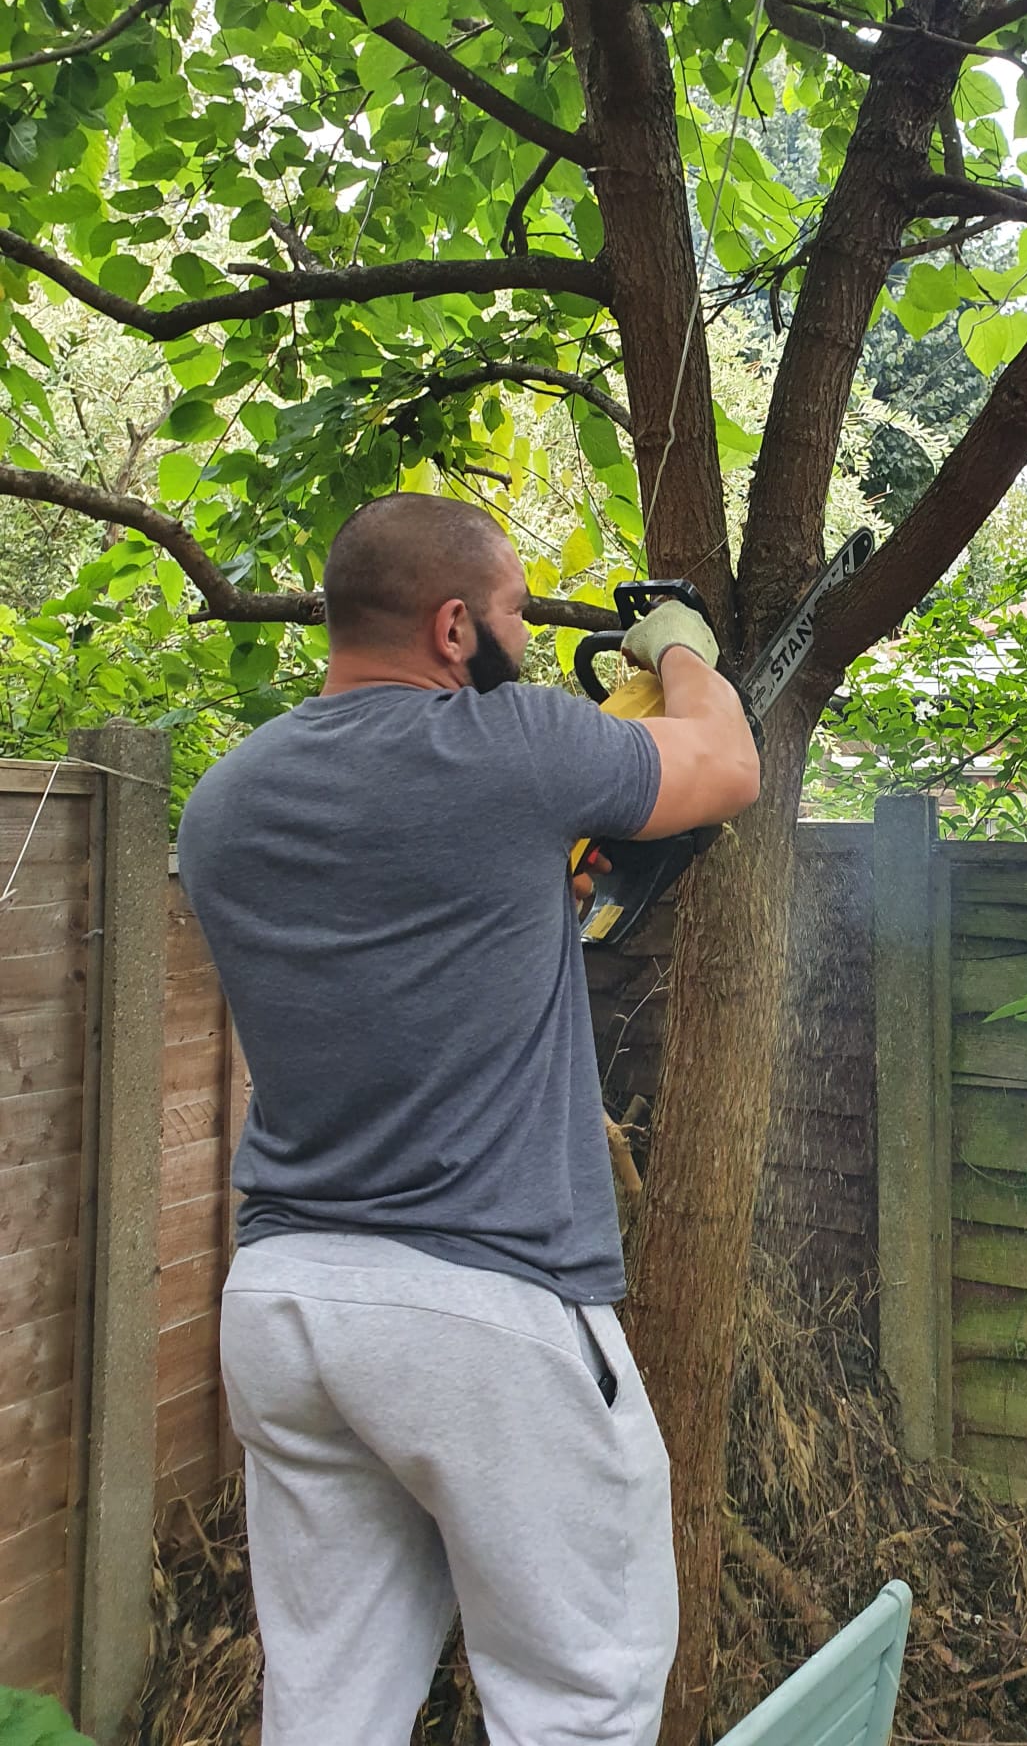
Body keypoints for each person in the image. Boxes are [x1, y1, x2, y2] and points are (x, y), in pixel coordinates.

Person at [177, 492, 760, 1746]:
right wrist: (678, 649)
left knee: (328, 1702)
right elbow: (730, 766)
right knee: (579, 1698)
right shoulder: (510, 751)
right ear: (454, 629)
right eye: (507, 621)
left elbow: (410, 931)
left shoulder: (223, 800)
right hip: (482, 1311)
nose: (524, 652)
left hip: (287, 1305)